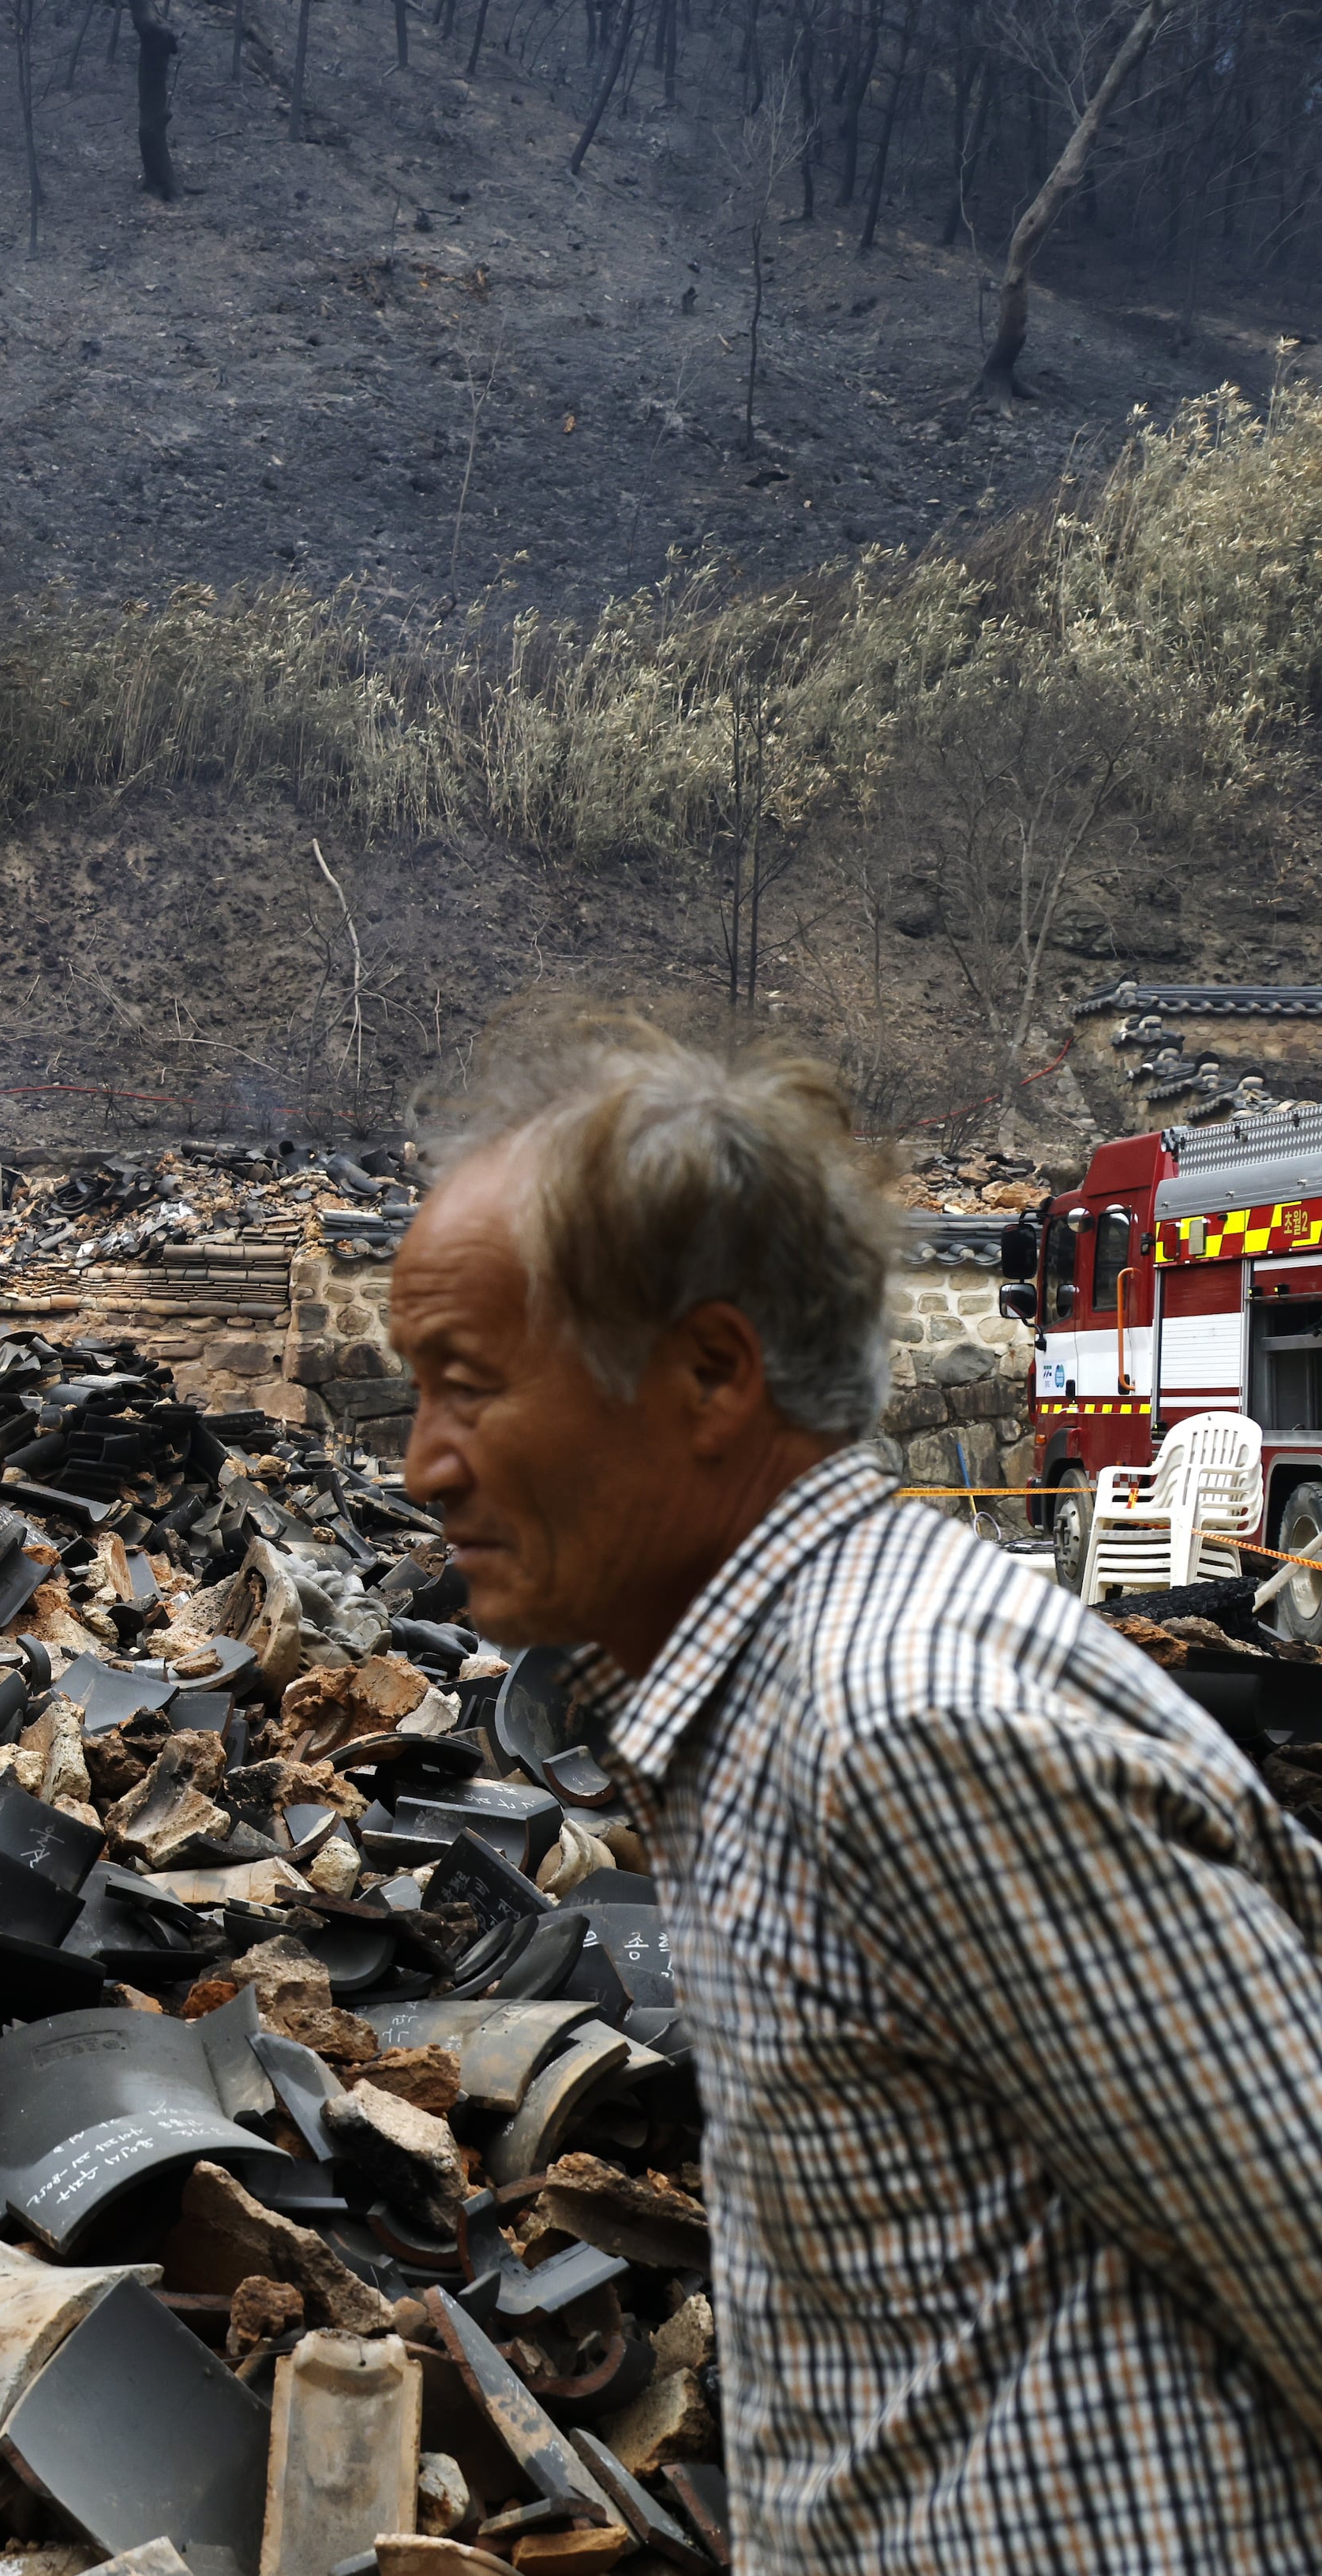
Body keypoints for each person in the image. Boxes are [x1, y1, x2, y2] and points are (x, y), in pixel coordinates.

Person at [388, 1015, 1322, 2570]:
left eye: (466, 1385)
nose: (423, 1462)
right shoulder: (785, 1704)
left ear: (707, 1375)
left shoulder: (906, 1739)